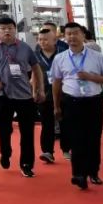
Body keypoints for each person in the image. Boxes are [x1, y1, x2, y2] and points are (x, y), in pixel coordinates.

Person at [0, 16, 44, 178]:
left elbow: (36, 68)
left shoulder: (25, 47)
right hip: (2, 94)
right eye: (3, 28)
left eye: (10, 28)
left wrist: (39, 89)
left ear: (15, 30)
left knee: (27, 131)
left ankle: (26, 164)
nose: (7, 31)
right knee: (3, 129)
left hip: (24, 95)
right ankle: (5, 152)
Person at [52, 22, 103, 190]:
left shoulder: (96, 56)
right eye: (68, 34)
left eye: (75, 33)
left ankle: (93, 171)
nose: (72, 37)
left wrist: (90, 77)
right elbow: (56, 83)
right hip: (71, 102)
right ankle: (79, 175)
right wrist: (56, 106)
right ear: (64, 37)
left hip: (93, 101)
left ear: (83, 35)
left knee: (93, 137)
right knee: (76, 138)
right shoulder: (60, 58)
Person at [33, 26, 64, 164]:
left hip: (63, 93)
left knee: (65, 121)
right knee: (47, 124)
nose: (42, 42)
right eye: (40, 39)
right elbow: (33, 75)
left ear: (54, 40)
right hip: (44, 93)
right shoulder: (35, 55)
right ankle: (47, 151)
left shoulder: (63, 53)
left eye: (46, 39)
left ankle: (66, 147)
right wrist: (34, 91)